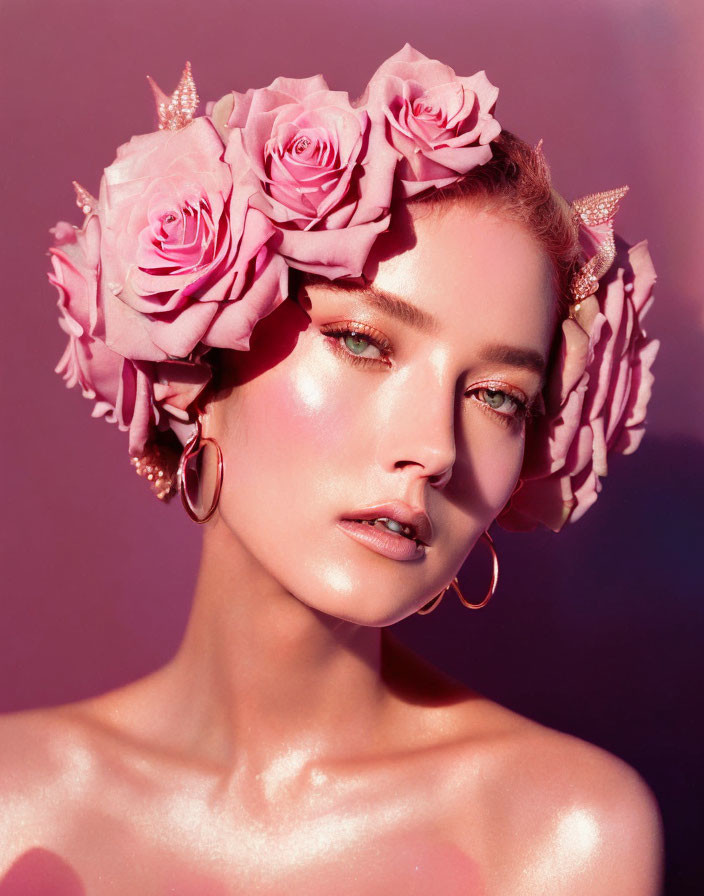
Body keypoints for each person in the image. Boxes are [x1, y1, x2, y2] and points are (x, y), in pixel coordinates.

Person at [0, 46, 662, 894]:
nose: (436, 448)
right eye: (362, 342)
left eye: (498, 396)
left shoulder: (561, 833)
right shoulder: (18, 802)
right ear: (203, 366)